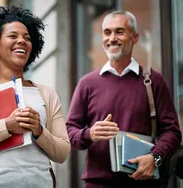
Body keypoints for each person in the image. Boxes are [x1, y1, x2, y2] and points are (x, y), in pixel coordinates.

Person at [0, 3, 70, 188]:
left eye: (27, 37)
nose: (22, 41)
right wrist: (6, 126)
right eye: (12, 36)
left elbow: (62, 153)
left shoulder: (46, 93)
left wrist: (39, 131)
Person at [66, 11, 182, 188]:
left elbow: (172, 132)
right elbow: (68, 133)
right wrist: (90, 134)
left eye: (119, 31)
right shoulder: (87, 83)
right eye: (107, 32)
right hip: (98, 184)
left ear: (134, 37)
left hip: (144, 183)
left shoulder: (153, 81)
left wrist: (154, 157)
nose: (112, 38)